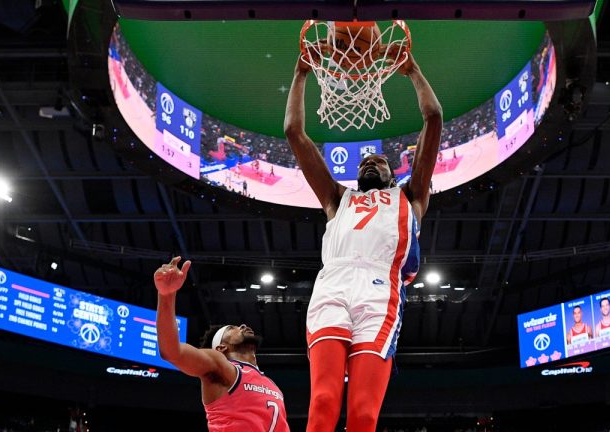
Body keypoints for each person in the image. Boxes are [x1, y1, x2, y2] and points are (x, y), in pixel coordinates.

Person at [284, 46, 442, 432]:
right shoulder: (337, 198)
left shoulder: (411, 196)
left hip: (379, 290)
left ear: (393, 173)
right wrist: (301, 73)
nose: (370, 161)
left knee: (363, 414)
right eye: (363, 161)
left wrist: (414, 70)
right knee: (322, 403)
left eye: (380, 160)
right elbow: (293, 132)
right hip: (333, 284)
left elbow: (434, 119)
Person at [154, 257, 290, 432]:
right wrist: (166, 295)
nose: (242, 325)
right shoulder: (222, 366)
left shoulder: (273, 385)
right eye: (232, 328)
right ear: (221, 347)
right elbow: (172, 352)